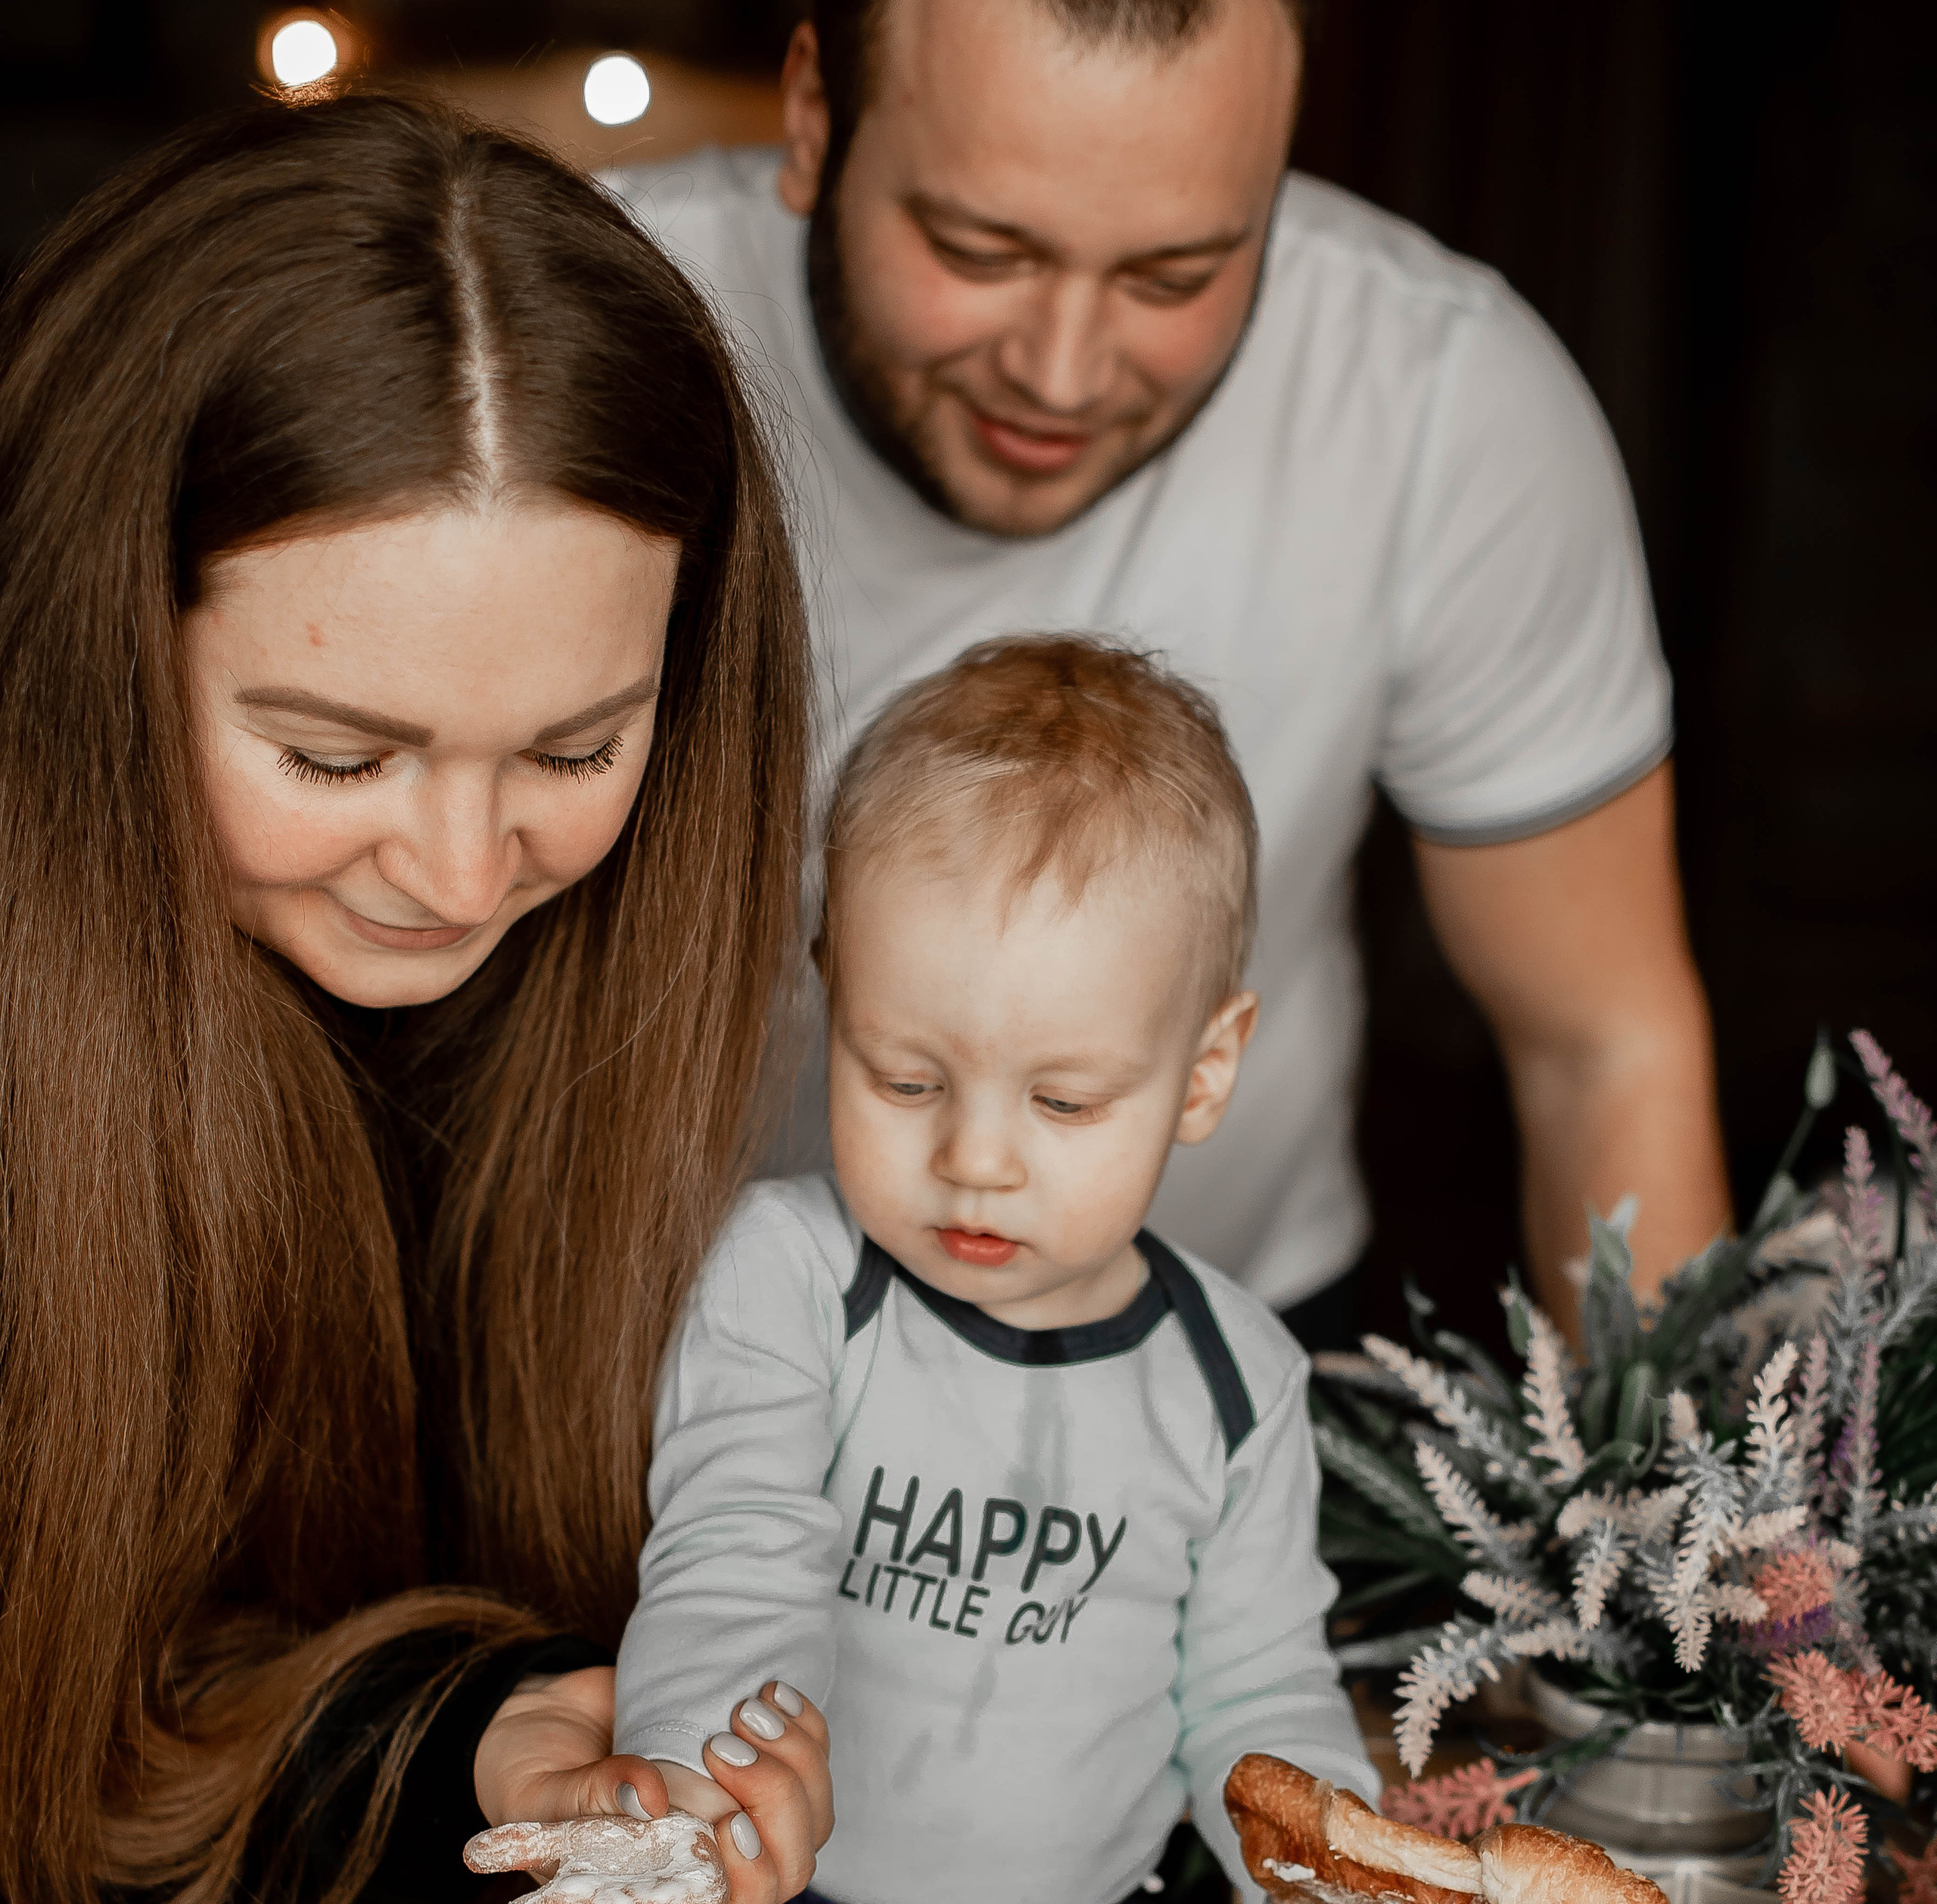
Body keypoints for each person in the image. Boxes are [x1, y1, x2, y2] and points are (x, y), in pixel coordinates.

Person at [361, 637, 1393, 1904]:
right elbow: (736, 1545)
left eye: (1064, 1099)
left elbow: (1257, 1685)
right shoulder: (790, 1274)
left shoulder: (1236, 1381)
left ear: (1205, 1068)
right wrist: (707, 1804)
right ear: (832, 994)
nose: (972, 1156)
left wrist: (1326, 1871)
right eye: (903, 1077)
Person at [0, 92, 832, 1904]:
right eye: (331, 751)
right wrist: (458, 1738)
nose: (458, 872)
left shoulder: (605, 967)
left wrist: (574, 1734)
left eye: (574, 743)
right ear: (103, 657)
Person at [612, 0, 1731, 1357]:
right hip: (637, 1338)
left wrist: (1710, 1539)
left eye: (1175, 277)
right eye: (981, 250)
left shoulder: (1444, 398)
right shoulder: (591, 320)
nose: (1061, 372)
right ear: (811, 119)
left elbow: (1599, 1043)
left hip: (1220, 1335)